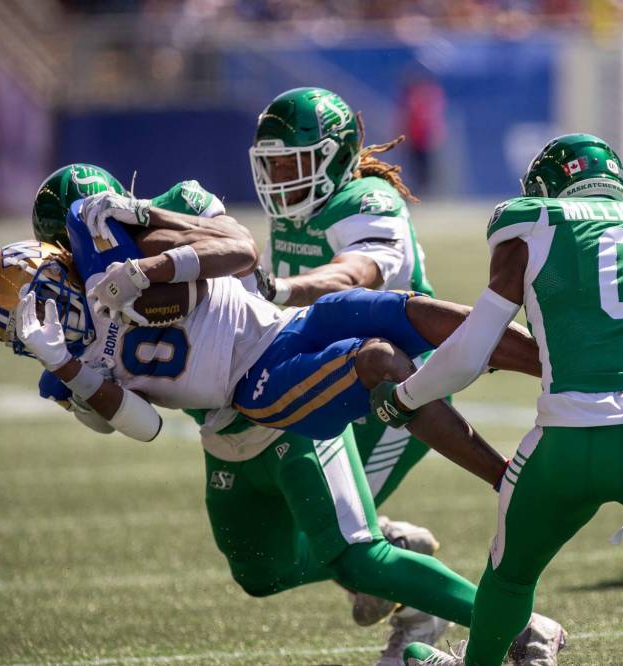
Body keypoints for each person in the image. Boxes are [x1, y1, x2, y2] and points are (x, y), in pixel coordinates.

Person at [0, 189, 563, 666]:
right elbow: (142, 426)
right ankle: (421, 561)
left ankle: (519, 605)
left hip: (278, 360)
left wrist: (146, 249)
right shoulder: (65, 361)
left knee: (397, 329)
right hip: (230, 422)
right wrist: (64, 364)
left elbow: (239, 251)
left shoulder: (158, 220)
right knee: (261, 571)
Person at [369, 134, 623, 666]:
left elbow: (470, 352)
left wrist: (404, 396)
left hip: (560, 444)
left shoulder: (531, 223)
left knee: (509, 581)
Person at [249, 87, 453, 633]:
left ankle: (425, 610)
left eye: (294, 162)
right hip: (332, 384)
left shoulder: (366, 201)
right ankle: (399, 563)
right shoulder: (294, 213)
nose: (280, 177)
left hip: (399, 395)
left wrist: (284, 289)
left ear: (333, 157)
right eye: (273, 164)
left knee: (321, 545)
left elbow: (355, 272)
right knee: (280, 541)